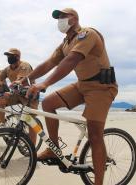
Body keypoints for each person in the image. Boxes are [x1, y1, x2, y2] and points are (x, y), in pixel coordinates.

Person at [21, 8, 118, 185]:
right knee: (48, 103)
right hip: (83, 85)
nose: (60, 20)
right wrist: (27, 79)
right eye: (58, 18)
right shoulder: (66, 42)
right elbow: (49, 63)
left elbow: (71, 60)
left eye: (63, 16)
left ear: (74, 19)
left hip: (101, 88)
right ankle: (54, 149)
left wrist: (45, 83)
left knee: (95, 135)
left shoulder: (87, 34)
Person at [0, 48, 38, 144]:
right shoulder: (8, 69)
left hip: (29, 95)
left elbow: (20, 81)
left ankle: (32, 148)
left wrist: (11, 91)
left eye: (10, 56)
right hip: (16, 94)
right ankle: (3, 126)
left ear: (17, 57)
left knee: (31, 122)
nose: (8, 58)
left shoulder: (24, 66)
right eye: (7, 56)